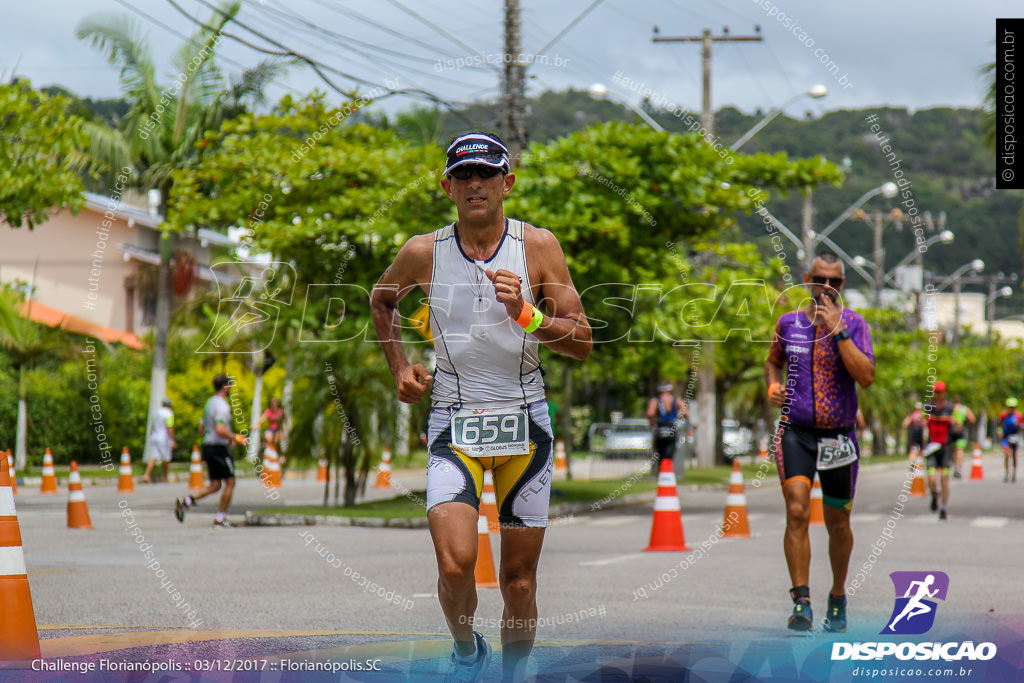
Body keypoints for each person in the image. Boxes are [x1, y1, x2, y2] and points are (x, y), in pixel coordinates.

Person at [370, 131, 592, 682]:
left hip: (526, 423)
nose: (475, 184)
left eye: (486, 174)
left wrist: (527, 313)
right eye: (464, 175)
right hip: (454, 418)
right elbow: (381, 298)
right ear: (447, 187)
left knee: (519, 580)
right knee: (454, 563)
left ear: (506, 184)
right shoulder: (424, 252)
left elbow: (582, 341)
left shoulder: (538, 246)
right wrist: (399, 367)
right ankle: (467, 649)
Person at [765, 251, 874, 633]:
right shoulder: (788, 322)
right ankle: (802, 600)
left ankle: (838, 596)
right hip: (795, 431)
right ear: (807, 279)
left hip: (838, 437)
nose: (827, 288)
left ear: (843, 285)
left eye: (836, 282)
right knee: (796, 510)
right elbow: (772, 361)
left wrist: (838, 329)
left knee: (837, 522)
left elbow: (866, 376)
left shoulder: (856, 324)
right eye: (820, 280)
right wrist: (773, 386)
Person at [174, 374, 248, 527]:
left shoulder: (209, 404)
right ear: (225, 387)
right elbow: (220, 429)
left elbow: (202, 428)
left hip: (208, 446)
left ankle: (187, 501)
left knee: (215, 484)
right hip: (218, 448)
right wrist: (236, 438)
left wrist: (226, 437)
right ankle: (220, 518)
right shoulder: (222, 406)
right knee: (230, 482)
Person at [922, 381, 954, 520]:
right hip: (931, 447)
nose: (938, 395)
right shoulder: (928, 406)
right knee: (931, 477)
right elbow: (924, 422)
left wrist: (953, 422)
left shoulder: (950, 407)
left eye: (940, 392)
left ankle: (944, 508)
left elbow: (957, 423)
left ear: (944, 393)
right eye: (936, 392)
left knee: (945, 479)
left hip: (945, 447)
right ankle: (934, 494)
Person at [646, 382, 688, 471]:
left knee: (659, 457)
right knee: (669, 456)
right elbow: (686, 413)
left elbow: (650, 413)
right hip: (671, 430)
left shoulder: (656, 401)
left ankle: (661, 476)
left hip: (660, 430)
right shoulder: (676, 400)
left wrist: (652, 423)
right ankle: (668, 475)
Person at [143, 397, 176, 483]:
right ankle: (165, 478)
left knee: (154, 457)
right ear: (168, 405)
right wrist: (172, 440)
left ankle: (146, 475)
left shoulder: (156, 413)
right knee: (166, 458)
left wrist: (150, 436)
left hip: (154, 437)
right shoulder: (169, 413)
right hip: (163, 438)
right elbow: (169, 427)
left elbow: (152, 426)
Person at [949, 396, 976, 479]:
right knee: (960, 450)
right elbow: (972, 419)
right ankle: (958, 469)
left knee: (953, 451)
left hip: (952, 430)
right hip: (961, 430)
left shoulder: (951, 408)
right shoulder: (964, 409)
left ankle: (955, 467)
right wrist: (965, 423)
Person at [998, 397, 1023, 482]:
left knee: (1014, 455)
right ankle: (1006, 473)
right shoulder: (1003, 415)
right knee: (1006, 454)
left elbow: (1022, 427)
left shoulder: (1018, 416)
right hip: (1006, 437)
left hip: (1015, 436)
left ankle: (1014, 473)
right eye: (1010, 407)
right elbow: (999, 424)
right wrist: (999, 431)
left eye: (1013, 407)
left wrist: (1019, 425)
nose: (1011, 409)